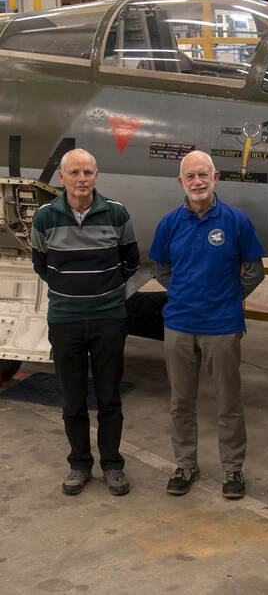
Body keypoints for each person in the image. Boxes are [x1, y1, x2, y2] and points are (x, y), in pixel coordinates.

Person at [149, 150, 265, 499]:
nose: (197, 182)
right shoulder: (169, 223)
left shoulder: (236, 222)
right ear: (181, 182)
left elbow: (255, 271)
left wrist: (227, 298)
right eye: (190, 176)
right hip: (179, 326)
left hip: (222, 327)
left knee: (228, 403)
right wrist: (185, 294)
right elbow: (161, 269)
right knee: (180, 402)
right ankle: (185, 464)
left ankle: (232, 469)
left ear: (215, 178)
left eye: (203, 175)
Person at [31, 148, 140, 496]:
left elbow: (131, 261)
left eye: (88, 172)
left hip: (109, 319)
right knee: (73, 400)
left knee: (110, 398)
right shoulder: (45, 217)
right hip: (65, 321)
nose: (82, 179)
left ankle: (112, 465)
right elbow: (41, 263)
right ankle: (79, 464)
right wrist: (71, 291)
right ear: (62, 177)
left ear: (96, 176)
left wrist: (104, 292)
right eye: (75, 173)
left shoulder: (116, 213)